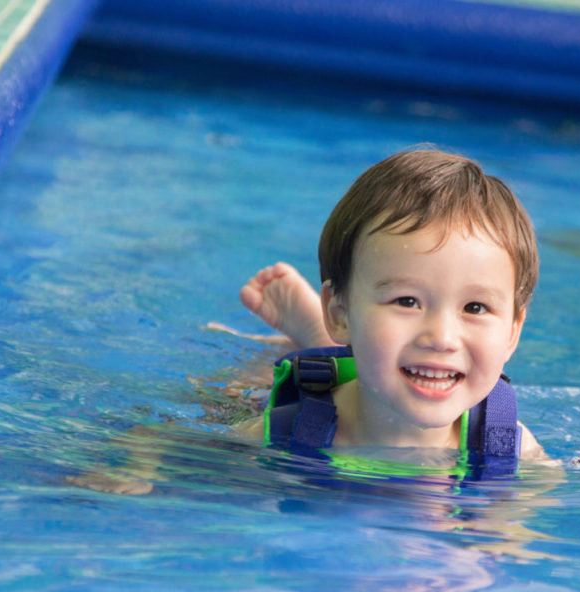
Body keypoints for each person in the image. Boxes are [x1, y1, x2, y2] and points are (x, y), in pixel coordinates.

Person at [231, 148, 546, 464]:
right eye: (407, 301)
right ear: (338, 314)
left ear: (512, 333)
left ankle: (320, 336)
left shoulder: (510, 447)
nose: (442, 338)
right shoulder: (278, 434)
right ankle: (322, 337)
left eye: (475, 308)